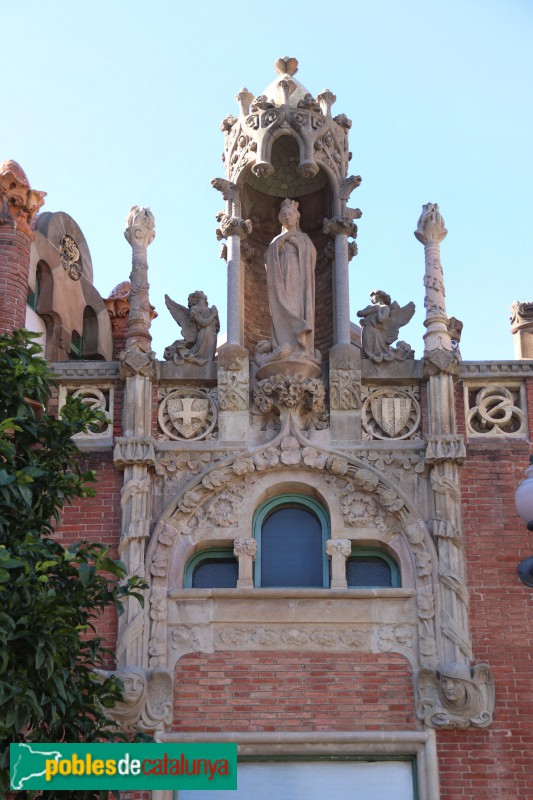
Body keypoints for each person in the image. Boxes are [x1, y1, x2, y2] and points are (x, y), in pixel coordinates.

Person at [265, 198, 316, 359]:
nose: (287, 217)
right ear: (280, 219)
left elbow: (312, 256)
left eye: (290, 214)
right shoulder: (275, 241)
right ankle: (282, 345)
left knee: (296, 307)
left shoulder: (304, 238)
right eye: (284, 215)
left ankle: (301, 345)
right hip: (280, 279)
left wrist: (296, 244)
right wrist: (278, 247)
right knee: (281, 306)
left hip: (298, 277)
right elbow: (268, 260)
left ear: (297, 217)